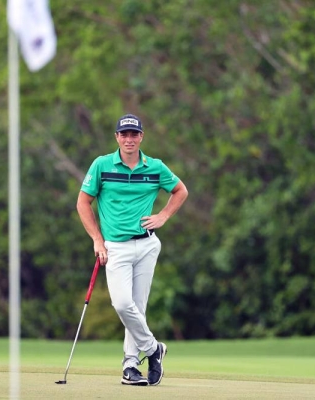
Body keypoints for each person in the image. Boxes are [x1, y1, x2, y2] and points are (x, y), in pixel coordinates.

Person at [76, 113, 188, 386]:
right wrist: (97, 240)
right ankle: (153, 349)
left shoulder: (155, 167)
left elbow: (180, 190)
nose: (129, 139)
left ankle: (130, 366)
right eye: (124, 134)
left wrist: (162, 217)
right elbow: (83, 203)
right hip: (115, 247)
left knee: (137, 306)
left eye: (134, 134)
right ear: (116, 137)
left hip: (147, 245)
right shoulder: (102, 165)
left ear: (141, 137)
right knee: (123, 304)